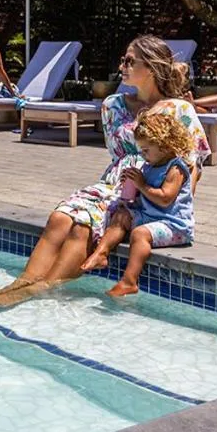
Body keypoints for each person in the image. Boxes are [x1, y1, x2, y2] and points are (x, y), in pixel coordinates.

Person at [0, 35, 210, 307]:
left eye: (131, 61)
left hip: (144, 193)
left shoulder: (179, 109)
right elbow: (118, 156)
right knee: (60, 217)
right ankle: (21, 283)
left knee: (83, 227)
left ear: (152, 67)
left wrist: (169, 211)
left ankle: (41, 289)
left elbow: (192, 164)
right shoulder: (113, 105)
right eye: (123, 60)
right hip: (112, 183)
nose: (123, 66)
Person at [80, 113, 196, 296]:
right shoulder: (150, 165)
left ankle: (129, 281)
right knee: (121, 216)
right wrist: (130, 189)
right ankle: (101, 253)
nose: (143, 155)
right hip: (150, 216)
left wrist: (141, 184)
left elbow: (165, 198)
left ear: (165, 145)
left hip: (174, 225)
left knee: (140, 234)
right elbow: (142, 196)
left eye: (146, 150)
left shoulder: (176, 168)